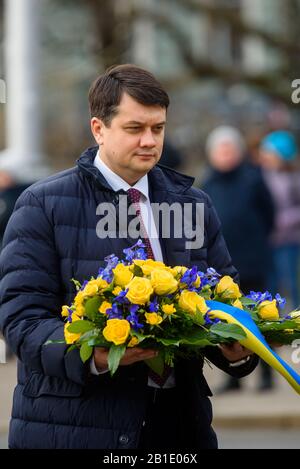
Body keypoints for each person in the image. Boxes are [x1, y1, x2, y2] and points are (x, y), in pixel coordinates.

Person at [0, 65, 258, 450]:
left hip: (179, 426)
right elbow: (21, 318)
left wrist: (237, 349)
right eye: (135, 129)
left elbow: (224, 298)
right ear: (98, 128)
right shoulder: (42, 204)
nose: (150, 141)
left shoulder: (195, 203)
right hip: (76, 426)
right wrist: (98, 357)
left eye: (158, 128)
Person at [202, 126, 275, 392]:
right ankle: (234, 378)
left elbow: (270, 214)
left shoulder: (253, 179)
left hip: (252, 259)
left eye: (229, 149)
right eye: (220, 150)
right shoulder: (207, 184)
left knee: (260, 317)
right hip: (221, 266)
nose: (225, 154)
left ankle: (267, 374)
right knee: (229, 319)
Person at [259, 130, 300, 310]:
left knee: (291, 282)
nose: (265, 156)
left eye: (270, 152)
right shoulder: (261, 175)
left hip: (290, 241)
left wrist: (284, 219)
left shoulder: (293, 178)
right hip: (268, 240)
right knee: (270, 284)